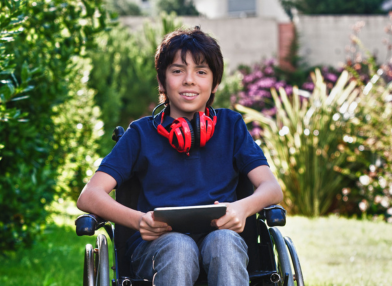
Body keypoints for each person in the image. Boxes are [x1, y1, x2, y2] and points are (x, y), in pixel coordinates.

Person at [76, 26, 283, 285]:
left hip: (223, 243)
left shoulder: (231, 127)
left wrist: (242, 208)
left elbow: (272, 188)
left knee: (224, 242)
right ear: (162, 81)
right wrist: (139, 220)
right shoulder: (141, 134)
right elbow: (89, 196)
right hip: (157, 249)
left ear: (215, 82)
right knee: (178, 246)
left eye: (201, 71)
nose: (189, 80)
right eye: (177, 71)